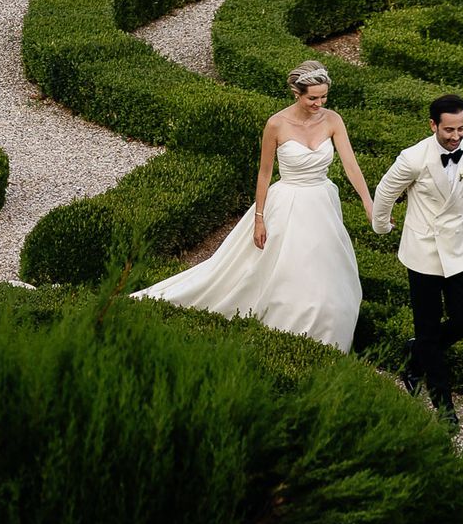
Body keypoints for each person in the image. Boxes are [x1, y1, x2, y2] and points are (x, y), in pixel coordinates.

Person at [132, 61, 371, 351]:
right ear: (296, 93)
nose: (319, 103)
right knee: (286, 271)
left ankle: (326, 341)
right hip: (287, 203)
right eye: (312, 98)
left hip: (322, 202)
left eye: (323, 97)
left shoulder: (333, 120)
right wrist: (259, 218)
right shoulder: (277, 124)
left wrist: (368, 203)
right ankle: (285, 333)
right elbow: (265, 173)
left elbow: (350, 165)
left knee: (328, 271)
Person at [370, 93, 463, 429]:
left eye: (460, 128)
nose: (456, 136)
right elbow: (385, 191)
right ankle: (444, 406)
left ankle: (416, 356)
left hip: (460, 250)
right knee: (428, 330)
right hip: (424, 253)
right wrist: (382, 225)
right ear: (433, 125)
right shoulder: (413, 158)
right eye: (448, 130)